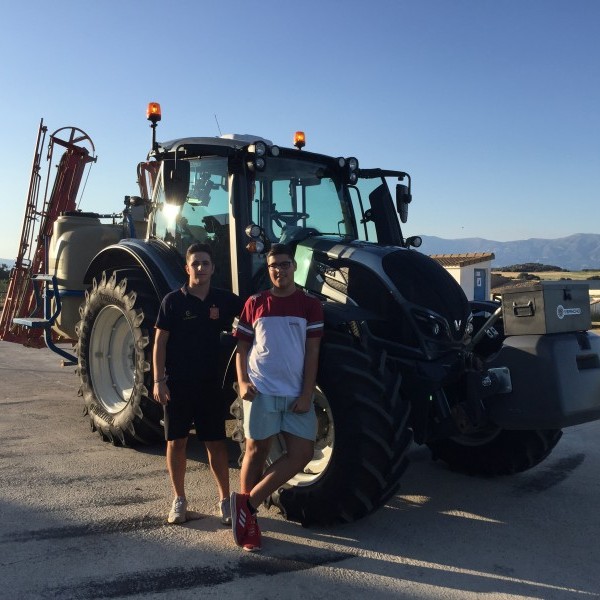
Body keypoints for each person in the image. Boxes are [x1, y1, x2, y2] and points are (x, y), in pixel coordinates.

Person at [231, 243, 324, 551]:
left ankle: (246, 505)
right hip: (261, 389)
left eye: (284, 265)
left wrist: (307, 391)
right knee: (256, 452)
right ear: (268, 269)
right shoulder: (255, 302)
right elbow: (241, 347)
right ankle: (250, 523)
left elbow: (313, 351)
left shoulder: (309, 305)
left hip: (295, 392)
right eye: (274, 266)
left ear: (294, 267)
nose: (279, 270)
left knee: (302, 454)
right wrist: (242, 382)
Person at [153, 242, 242, 525]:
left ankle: (225, 500)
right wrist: (158, 380)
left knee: (216, 443)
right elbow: (159, 342)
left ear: (213, 268)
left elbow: (253, 314)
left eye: (206, 263)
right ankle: (179, 499)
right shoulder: (172, 302)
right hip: (178, 383)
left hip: (211, 385)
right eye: (196, 263)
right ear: (187, 268)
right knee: (176, 441)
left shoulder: (225, 300)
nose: (201, 268)